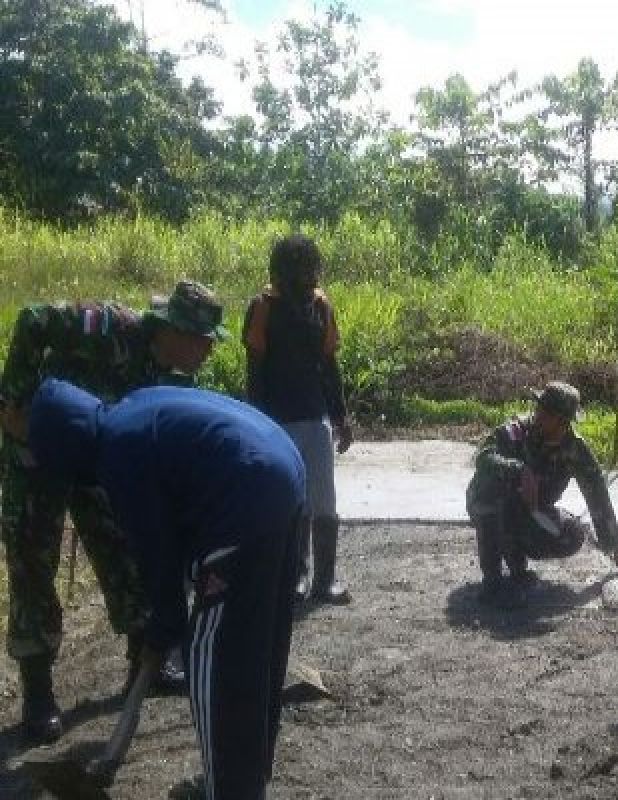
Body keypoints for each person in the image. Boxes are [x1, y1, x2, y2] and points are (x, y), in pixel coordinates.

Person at [27, 379, 304, 799]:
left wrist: (163, 625)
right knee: (257, 651)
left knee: (216, 661)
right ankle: (243, 783)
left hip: (244, 499)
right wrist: (165, 619)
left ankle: (229, 791)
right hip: (283, 474)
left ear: (66, 451)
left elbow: (157, 555)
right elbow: (171, 546)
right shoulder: (133, 410)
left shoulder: (119, 455)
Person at [0, 280, 225, 743]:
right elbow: (32, 320)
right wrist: (12, 403)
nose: (208, 352)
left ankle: (145, 661)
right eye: (203, 341)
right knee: (31, 559)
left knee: (125, 546)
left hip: (100, 460)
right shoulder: (108, 326)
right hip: (40, 446)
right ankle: (38, 692)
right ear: (176, 332)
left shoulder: (173, 380)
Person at [243, 234, 353, 605]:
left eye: (311, 267)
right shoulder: (263, 307)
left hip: (315, 416)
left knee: (323, 499)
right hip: (276, 420)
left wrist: (340, 414)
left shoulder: (321, 306)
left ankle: (325, 579)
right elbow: (255, 367)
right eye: (301, 267)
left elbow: (329, 364)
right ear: (283, 269)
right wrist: (255, 418)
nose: (308, 274)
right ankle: (297, 575)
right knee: (291, 500)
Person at [465, 381, 618, 607]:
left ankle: (517, 567)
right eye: (539, 408)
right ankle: (493, 582)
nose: (538, 415)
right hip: (495, 509)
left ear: (562, 420)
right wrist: (518, 470)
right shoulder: (516, 432)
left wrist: (615, 546)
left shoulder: (574, 448)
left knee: (571, 535)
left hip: (532, 513)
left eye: (546, 412)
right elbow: (484, 458)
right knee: (487, 490)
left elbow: (597, 495)